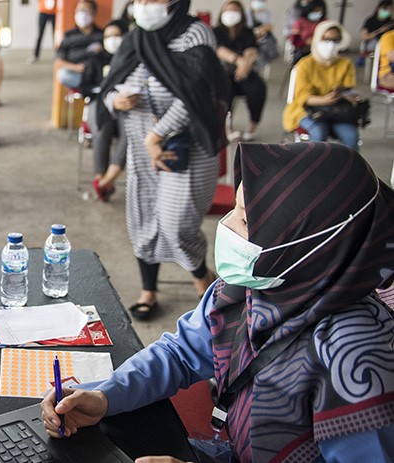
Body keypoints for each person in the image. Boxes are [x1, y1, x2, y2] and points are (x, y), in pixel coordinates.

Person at [40, 142, 394, 462]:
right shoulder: (253, 285)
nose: (224, 225)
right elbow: (179, 353)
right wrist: (103, 397)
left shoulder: (357, 362)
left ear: (301, 242)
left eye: (242, 219)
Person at [97, 0, 227, 319]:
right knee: (141, 220)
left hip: (187, 146)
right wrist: (117, 100)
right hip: (142, 147)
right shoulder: (135, 37)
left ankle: (201, 278)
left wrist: (157, 135)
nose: (143, 5)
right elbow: (109, 87)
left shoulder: (195, 35)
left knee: (175, 222)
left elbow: (196, 95)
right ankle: (149, 290)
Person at [282, 21, 360, 151]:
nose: (330, 44)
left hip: (337, 110)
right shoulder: (305, 64)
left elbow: (349, 88)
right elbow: (303, 98)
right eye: (326, 39)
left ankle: (348, 170)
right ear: (317, 39)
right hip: (305, 110)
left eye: (335, 40)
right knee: (319, 131)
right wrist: (326, 99)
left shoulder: (345, 64)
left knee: (351, 136)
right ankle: (314, 169)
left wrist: (350, 96)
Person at [214, 0, 266, 141]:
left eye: (234, 11)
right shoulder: (216, 31)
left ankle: (251, 127)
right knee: (224, 90)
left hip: (245, 71)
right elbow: (219, 50)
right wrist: (239, 60)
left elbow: (252, 51)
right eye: (228, 10)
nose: (231, 14)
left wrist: (245, 66)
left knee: (258, 89)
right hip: (223, 72)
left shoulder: (247, 32)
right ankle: (227, 128)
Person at [89, 19, 128, 201]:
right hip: (99, 103)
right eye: (108, 36)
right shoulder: (97, 58)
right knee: (101, 128)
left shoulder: (131, 58)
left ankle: (108, 179)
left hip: (125, 106)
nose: (112, 40)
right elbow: (84, 84)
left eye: (116, 36)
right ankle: (100, 177)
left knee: (130, 133)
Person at [55, 0, 103, 91]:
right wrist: (75, 67)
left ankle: (94, 87)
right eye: (79, 10)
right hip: (77, 73)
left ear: (93, 13)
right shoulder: (68, 35)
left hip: (96, 72)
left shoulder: (101, 34)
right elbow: (58, 60)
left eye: (86, 10)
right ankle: (89, 89)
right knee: (63, 74)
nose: (82, 14)